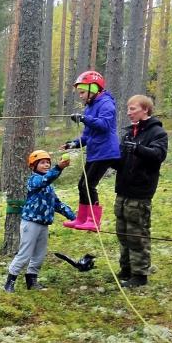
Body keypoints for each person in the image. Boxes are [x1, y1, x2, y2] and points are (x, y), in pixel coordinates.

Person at [113, 95, 167, 288]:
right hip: (122, 192)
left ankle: (140, 275)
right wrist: (107, 157)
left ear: (145, 110)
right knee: (122, 233)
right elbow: (120, 162)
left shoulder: (157, 132)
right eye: (128, 108)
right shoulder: (129, 133)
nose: (129, 112)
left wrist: (138, 148)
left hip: (141, 194)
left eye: (133, 108)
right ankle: (126, 270)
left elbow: (158, 155)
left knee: (137, 234)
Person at [5, 150, 76, 292]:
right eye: (42, 163)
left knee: (39, 254)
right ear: (33, 166)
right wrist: (59, 167)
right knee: (25, 254)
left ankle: (32, 282)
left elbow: (57, 203)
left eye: (48, 162)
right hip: (30, 223)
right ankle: (9, 282)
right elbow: (45, 180)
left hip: (43, 224)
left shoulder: (49, 186)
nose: (46, 165)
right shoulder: (34, 180)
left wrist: (73, 217)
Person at [60, 70, 121, 231]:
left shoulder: (106, 104)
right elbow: (86, 136)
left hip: (106, 152)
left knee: (89, 185)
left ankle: (94, 221)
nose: (80, 96)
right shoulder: (89, 108)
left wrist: (84, 119)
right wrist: (72, 144)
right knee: (82, 185)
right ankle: (81, 219)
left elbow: (104, 125)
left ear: (93, 89)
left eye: (82, 92)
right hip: (95, 152)